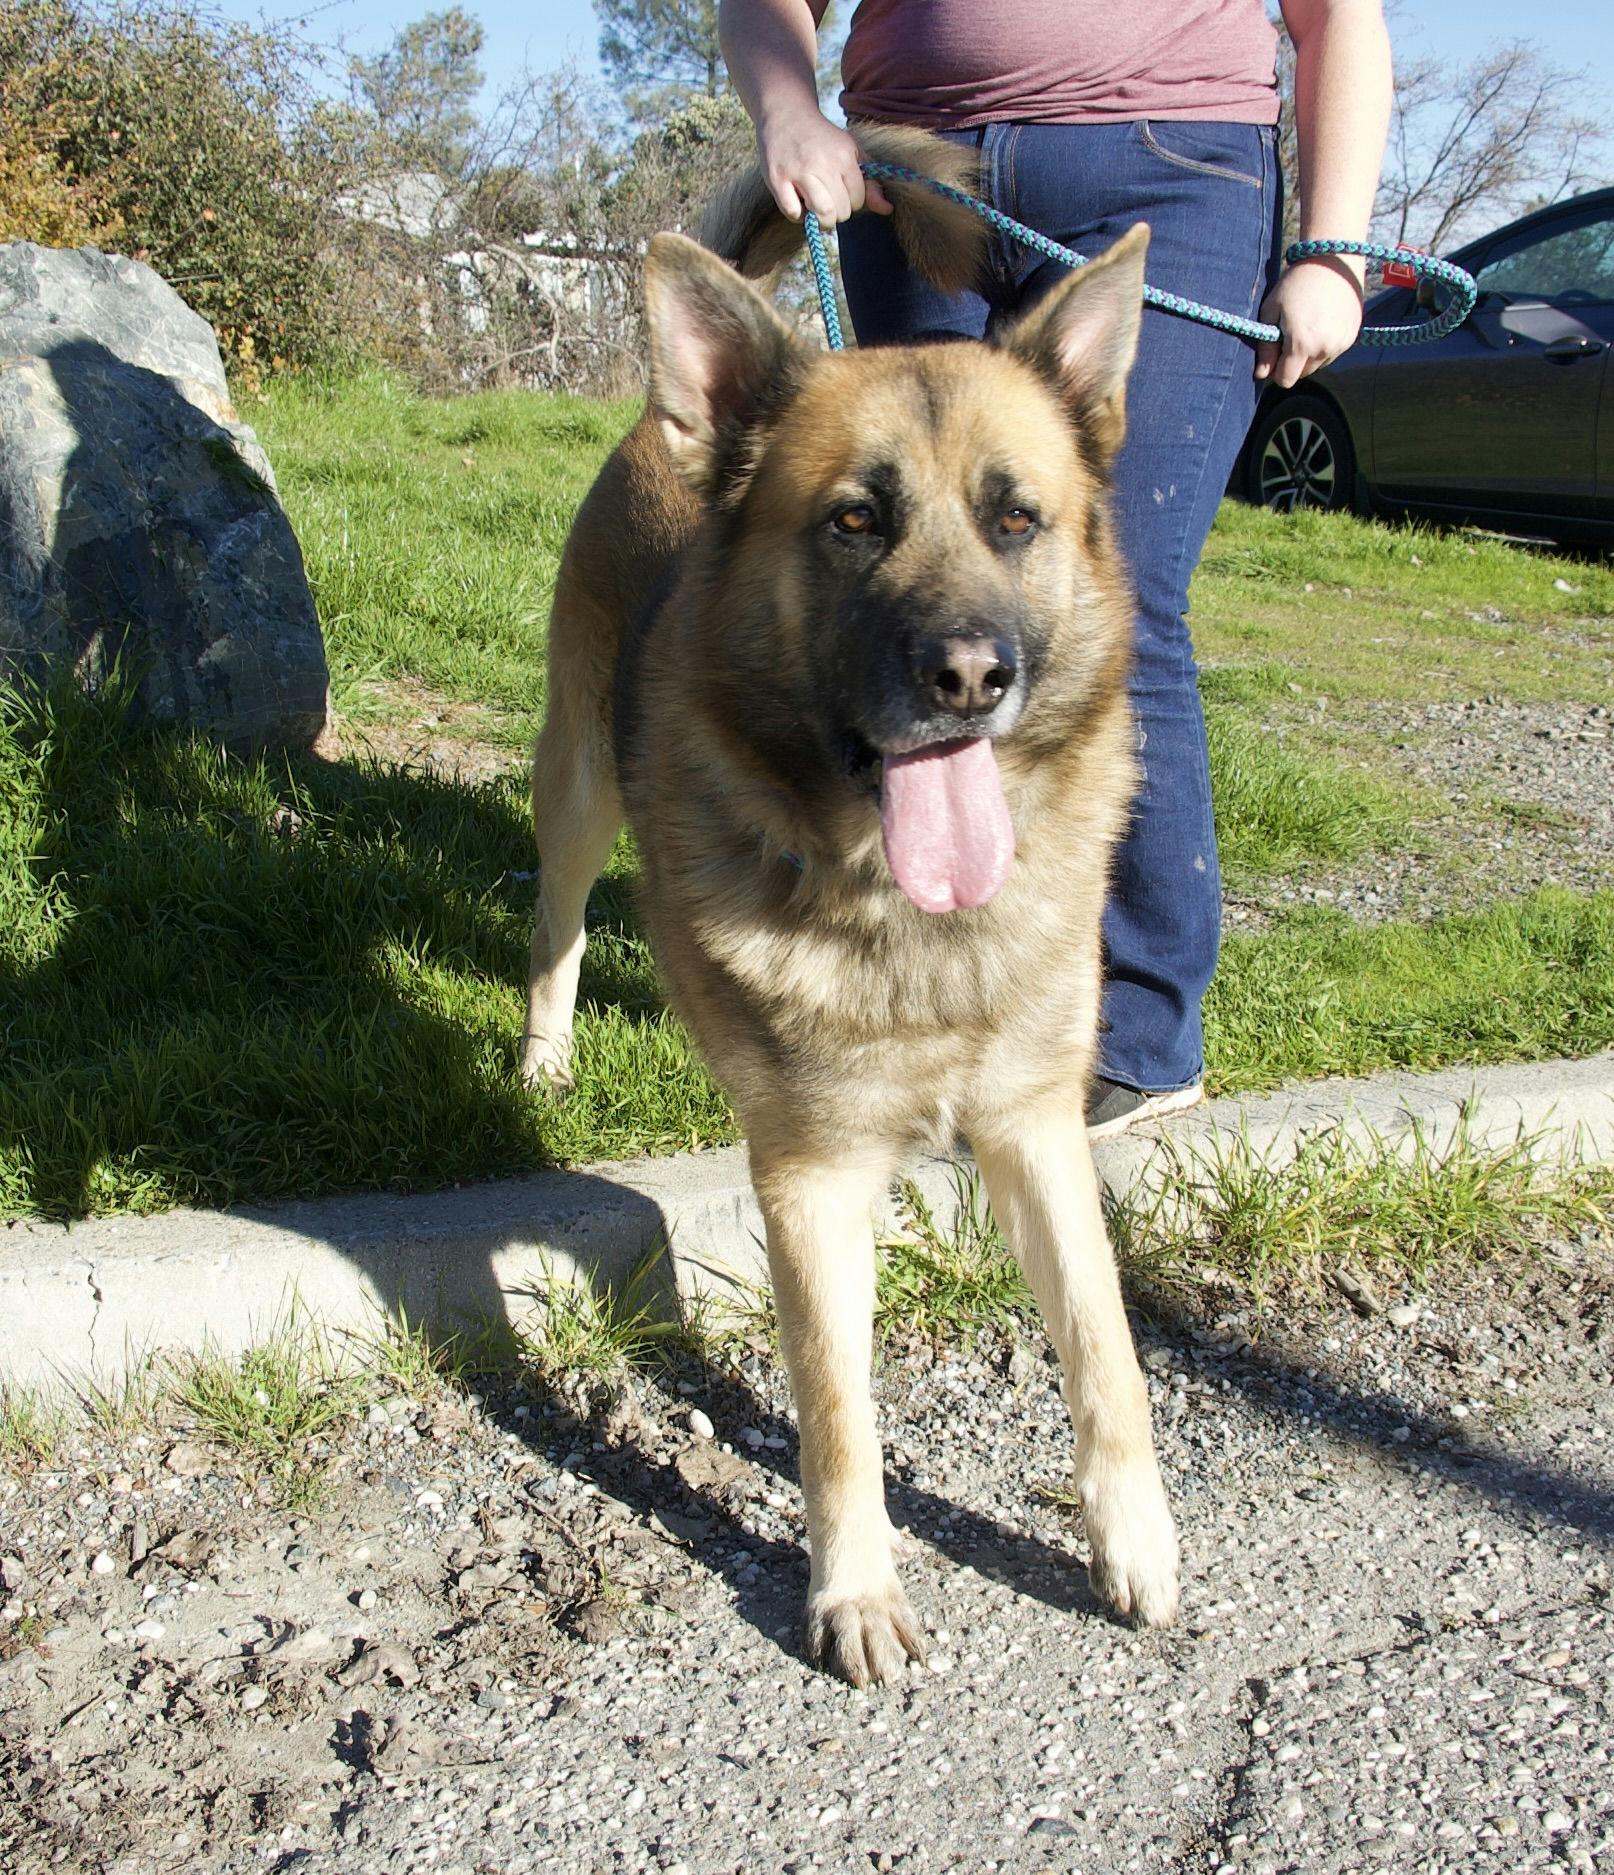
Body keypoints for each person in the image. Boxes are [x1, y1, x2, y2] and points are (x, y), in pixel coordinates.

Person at [718, 0, 1392, 1137]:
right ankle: (916, 1008)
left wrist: (1334, 249)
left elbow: (1337, 17)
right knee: (909, 615)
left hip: (1169, 164)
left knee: (1117, 597)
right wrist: (789, 105)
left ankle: (1134, 1036)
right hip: (912, 171)